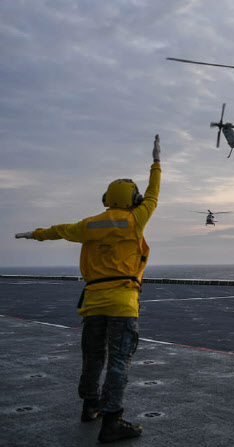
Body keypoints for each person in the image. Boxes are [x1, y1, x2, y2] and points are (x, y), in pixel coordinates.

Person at [15, 134, 162, 443]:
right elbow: (153, 195)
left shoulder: (89, 225)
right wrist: (156, 163)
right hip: (123, 304)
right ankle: (112, 421)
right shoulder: (136, 220)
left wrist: (34, 234)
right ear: (132, 200)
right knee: (119, 361)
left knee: (93, 358)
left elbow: (59, 231)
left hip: (93, 303)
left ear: (106, 198)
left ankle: (89, 407)